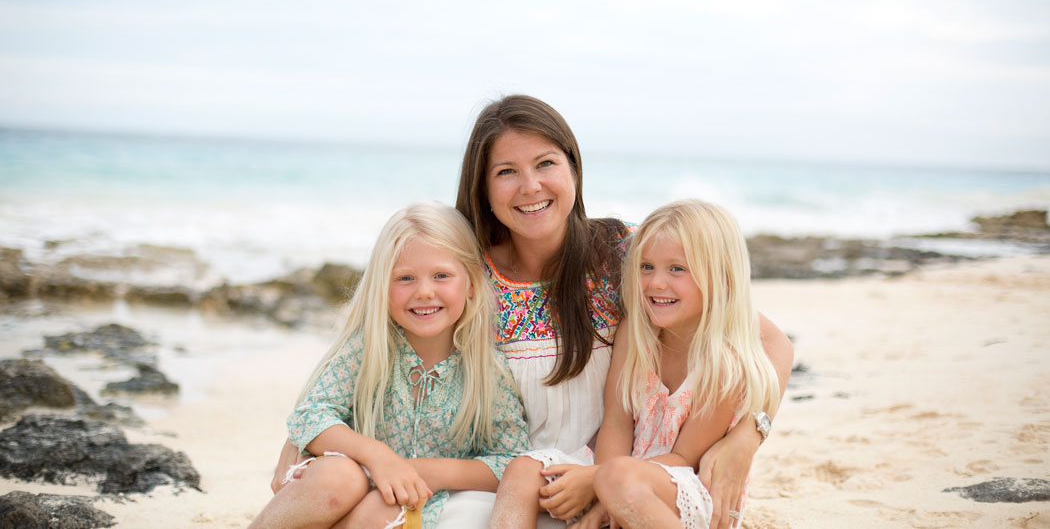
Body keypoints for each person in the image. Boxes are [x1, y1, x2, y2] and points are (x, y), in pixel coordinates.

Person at [272, 95, 793, 528]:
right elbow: (370, 339)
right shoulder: (460, 268)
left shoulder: (626, 255)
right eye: (506, 172)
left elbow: (770, 344)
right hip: (498, 478)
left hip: (603, 474)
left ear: (572, 167)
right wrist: (300, 439)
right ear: (483, 187)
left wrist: (750, 435)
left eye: (545, 163)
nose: (530, 186)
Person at [495, 199, 780, 529]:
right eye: (646, 267)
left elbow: (684, 458)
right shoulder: (635, 331)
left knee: (619, 478)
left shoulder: (724, 365)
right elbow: (616, 422)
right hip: (618, 468)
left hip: (682, 488)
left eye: (677, 269)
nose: (656, 283)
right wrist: (600, 482)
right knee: (524, 470)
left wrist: (602, 483)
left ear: (720, 278)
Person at [250, 203, 530, 529]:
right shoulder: (369, 346)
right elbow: (310, 415)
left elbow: (511, 461)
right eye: (405, 278)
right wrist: (377, 456)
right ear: (383, 286)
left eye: (441, 275)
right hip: (337, 486)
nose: (424, 292)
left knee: (391, 507)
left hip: (403, 500)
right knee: (340, 479)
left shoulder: (488, 371)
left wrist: (427, 470)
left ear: (470, 283)